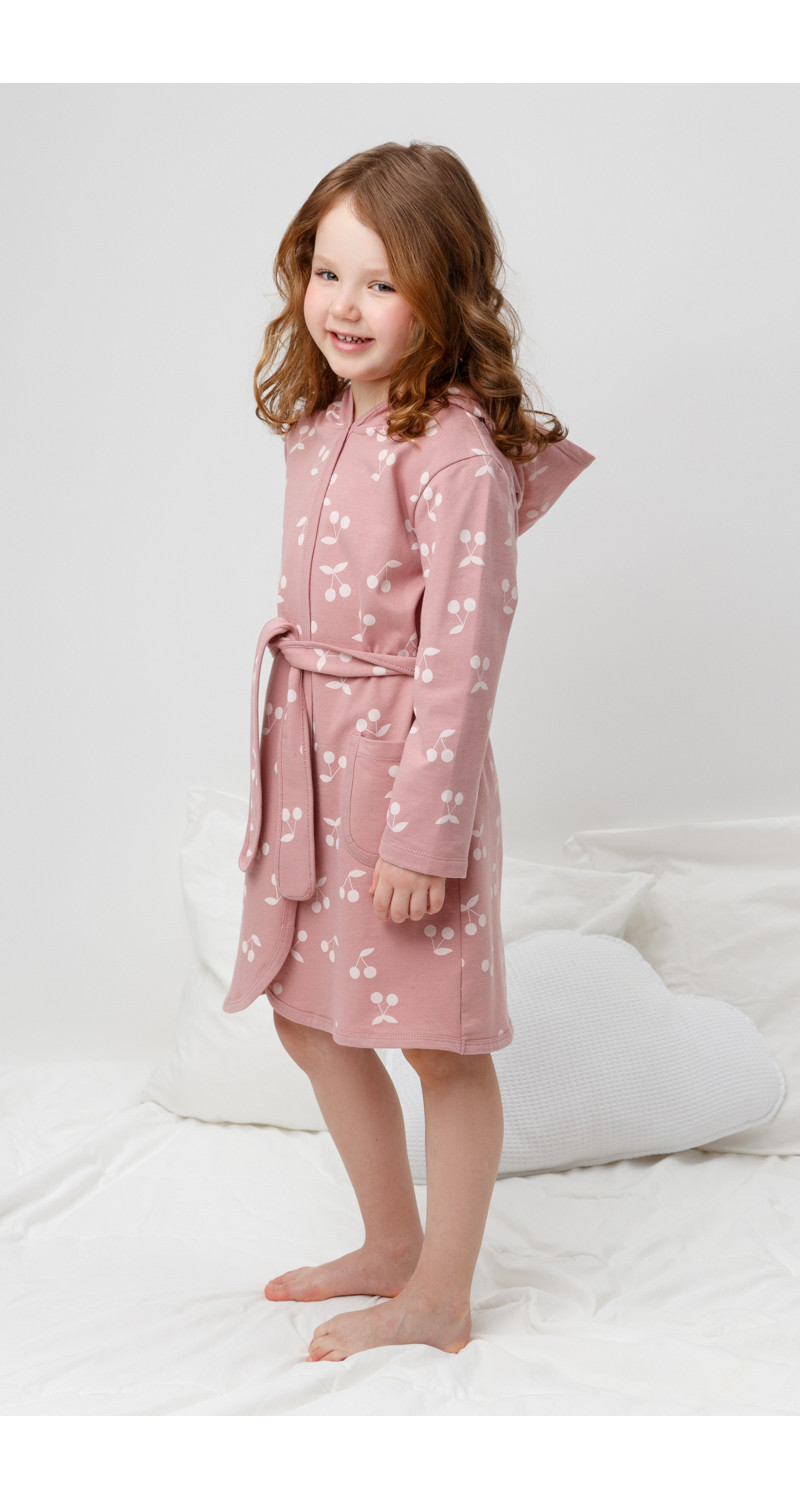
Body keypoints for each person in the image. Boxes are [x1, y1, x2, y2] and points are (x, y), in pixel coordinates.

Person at [222, 141, 596, 1362]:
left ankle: (439, 1294)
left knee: (436, 1039)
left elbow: (462, 664)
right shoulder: (324, 420)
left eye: (381, 283)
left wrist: (424, 836)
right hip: (311, 768)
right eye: (327, 272)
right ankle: (390, 1243)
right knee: (309, 1019)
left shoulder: (455, 458)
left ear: (444, 291)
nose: (343, 305)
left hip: (401, 782)